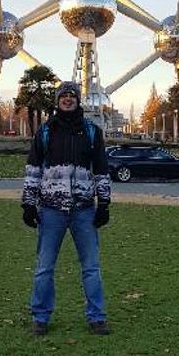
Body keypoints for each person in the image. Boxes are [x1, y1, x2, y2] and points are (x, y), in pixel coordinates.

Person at [21, 81, 111, 335]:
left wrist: (104, 203)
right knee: (44, 267)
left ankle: (97, 317)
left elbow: (102, 170)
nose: (68, 100)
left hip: (83, 209)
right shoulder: (46, 132)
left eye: (72, 96)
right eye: (64, 96)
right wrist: (28, 203)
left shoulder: (92, 132)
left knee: (91, 267)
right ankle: (40, 317)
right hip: (51, 209)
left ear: (78, 100)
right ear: (57, 101)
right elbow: (33, 170)